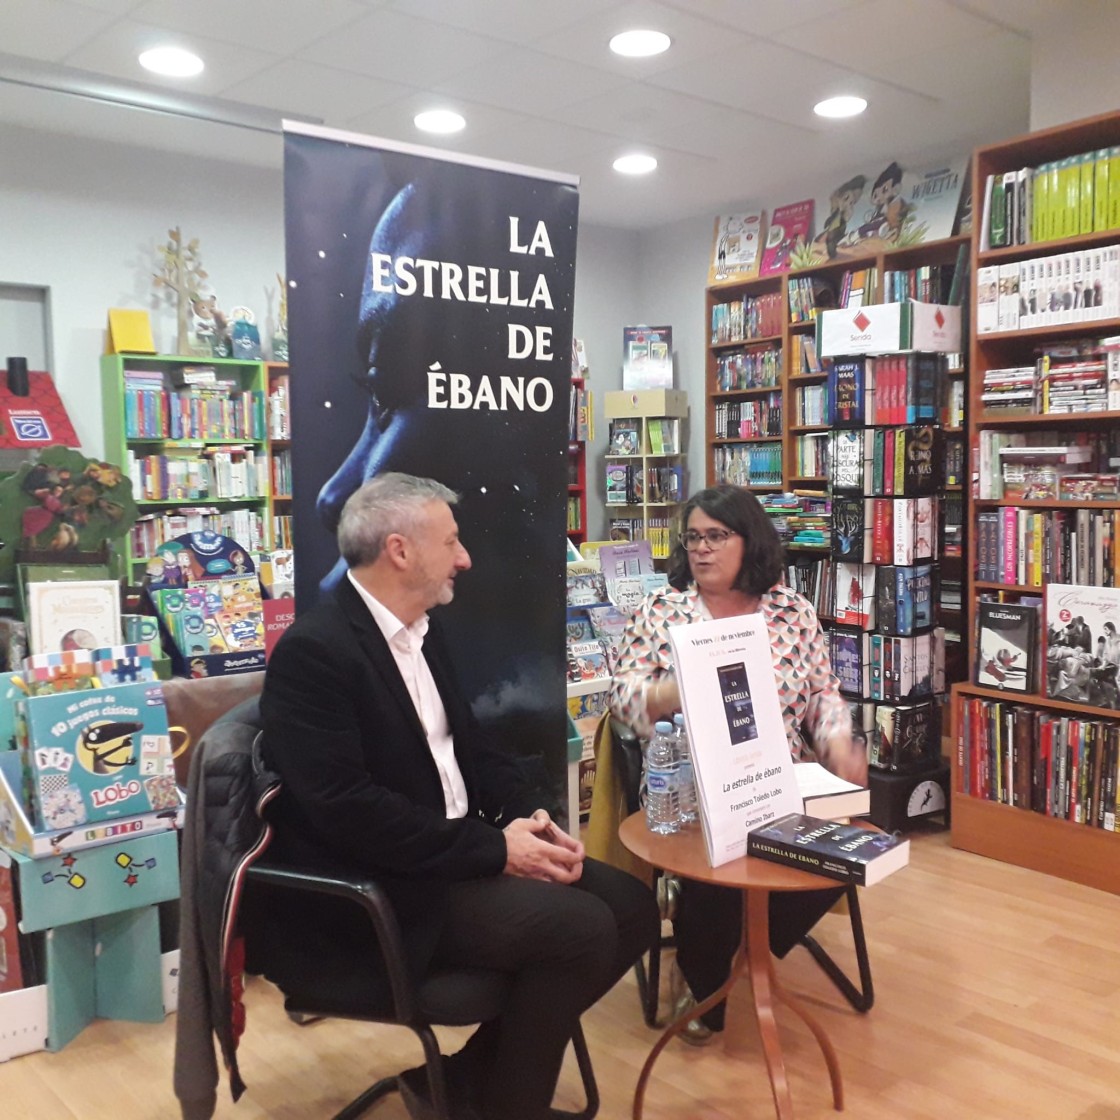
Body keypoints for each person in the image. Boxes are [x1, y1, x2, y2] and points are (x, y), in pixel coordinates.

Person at [258, 472, 657, 1120]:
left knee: (632, 908)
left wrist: (528, 816)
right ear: (400, 551)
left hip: (448, 853)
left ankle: (468, 1083)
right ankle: (507, 1107)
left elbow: (469, 743)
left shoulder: (423, 629)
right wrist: (495, 850)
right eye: (451, 540)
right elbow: (348, 811)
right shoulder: (314, 656)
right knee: (580, 929)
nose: (466, 557)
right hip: (384, 886)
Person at [609, 484, 867, 1044]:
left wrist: (839, 743)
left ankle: (730, 946)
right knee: (727, 852)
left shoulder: (791, 611)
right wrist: (669, 692)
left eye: (717, 537)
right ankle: (706, 978)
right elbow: (621, 701)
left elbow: (824, 695)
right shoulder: (663, 611)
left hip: (781, 776)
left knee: (851, 849)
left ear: (749, 542)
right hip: (691, 780)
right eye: (693, 538)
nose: (701, 549)